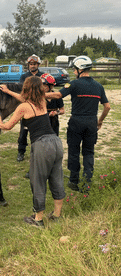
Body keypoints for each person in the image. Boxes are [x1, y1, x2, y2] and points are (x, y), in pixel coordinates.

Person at [0, 77, 65, 227]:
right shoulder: (42, 99)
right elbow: (23, 98)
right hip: (56, 142)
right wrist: (9, 91)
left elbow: (8, 126)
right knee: (56, 177)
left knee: (38, 180)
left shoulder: (23, 107)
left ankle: (38, 219)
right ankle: (57, 215)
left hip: (42, 145)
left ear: (26, 88)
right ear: (40, 89)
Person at [45, 55, 110, 191]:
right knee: (88, 153)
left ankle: (74, 181)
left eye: (74, 69)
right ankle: (87, 183)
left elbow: (57, 95)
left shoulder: (73, 84)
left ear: (80, 69)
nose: (74, 72)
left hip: (76, 122)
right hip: (92, 122)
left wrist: (40, 94)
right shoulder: (99, 86)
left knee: (74, 152)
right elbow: (107, 107)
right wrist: (100, 121)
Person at [16, 54, 44, 162]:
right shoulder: (24, 77)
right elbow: (22, 91)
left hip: (39, 106)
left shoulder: (43, 76)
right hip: (28, 106)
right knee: (23, 131)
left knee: (38, 132)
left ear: (38, 65)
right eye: (31, 64)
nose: (32, 66)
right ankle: (21, 151)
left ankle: (38, 153)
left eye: (34, 64)